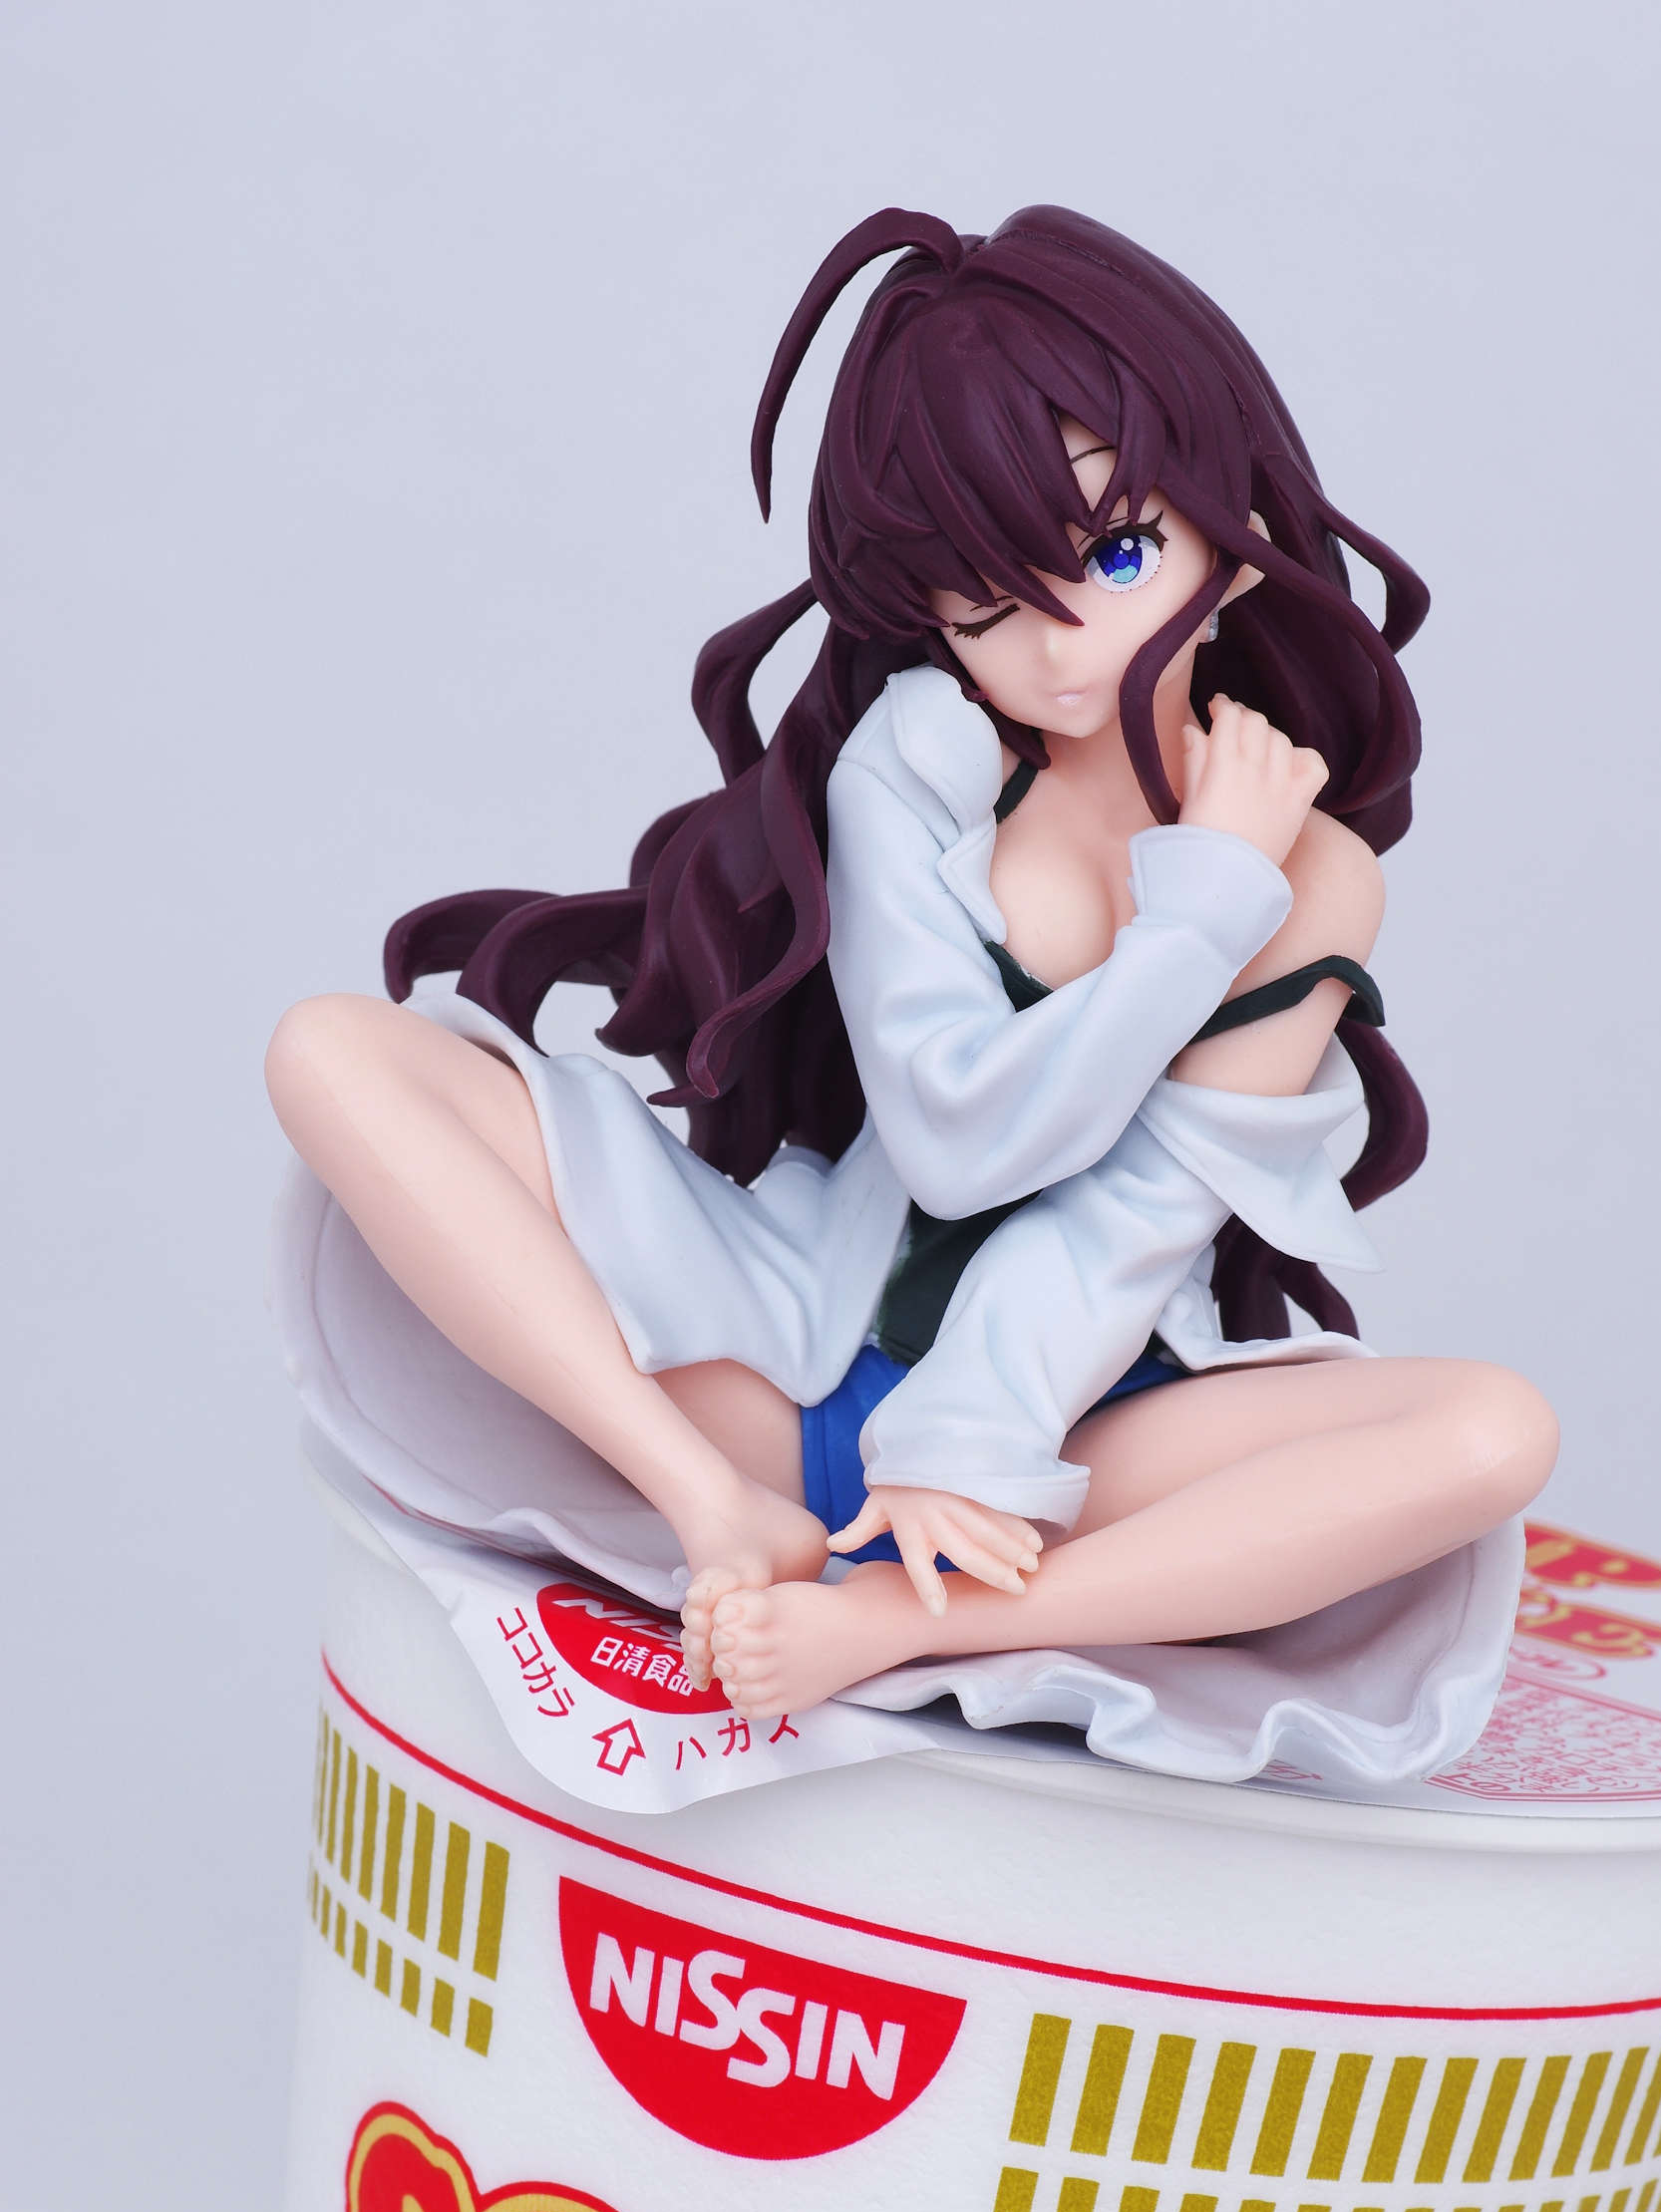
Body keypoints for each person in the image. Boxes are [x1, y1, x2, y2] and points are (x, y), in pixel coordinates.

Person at [266, 205, 1555, 1750]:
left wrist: (969, 1450)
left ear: (1233, 525)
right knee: (336, 1050)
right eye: (986, 606)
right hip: (788, 1351)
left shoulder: (1317, 870)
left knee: (1490, 1432)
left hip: (1070, 1443)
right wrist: (1192, 918)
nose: (1063, 649)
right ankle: (714, 1511)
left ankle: (895, 1620)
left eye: (1119, 551)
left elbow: (1135, 1217)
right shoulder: (925, 759)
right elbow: (956, 1136)